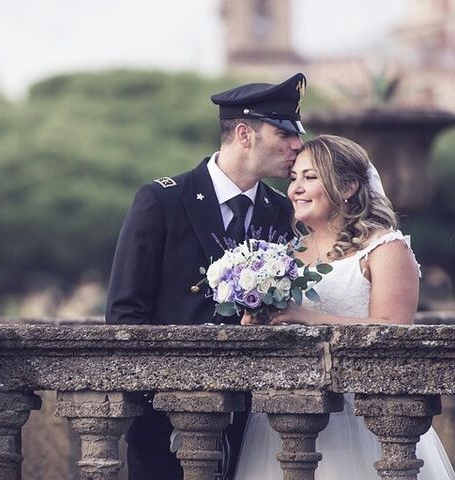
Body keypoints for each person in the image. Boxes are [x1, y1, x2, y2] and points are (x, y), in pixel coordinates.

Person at [106, 73, 307, 480]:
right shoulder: (162, 199)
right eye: (283, 132)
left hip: (255, 426)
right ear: (245, 134)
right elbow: (126, 313)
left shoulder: (283, 211)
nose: (297, 146)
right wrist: (159, 397)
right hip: (165, 421)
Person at [236, 135, 455, 479]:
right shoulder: (283, 256)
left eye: (310, 177)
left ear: (349, 186)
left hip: (363, 419)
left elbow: (395, 329)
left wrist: (308, 319)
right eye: (294, 178)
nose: (295, 188)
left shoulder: (385, 248)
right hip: (286, 416)